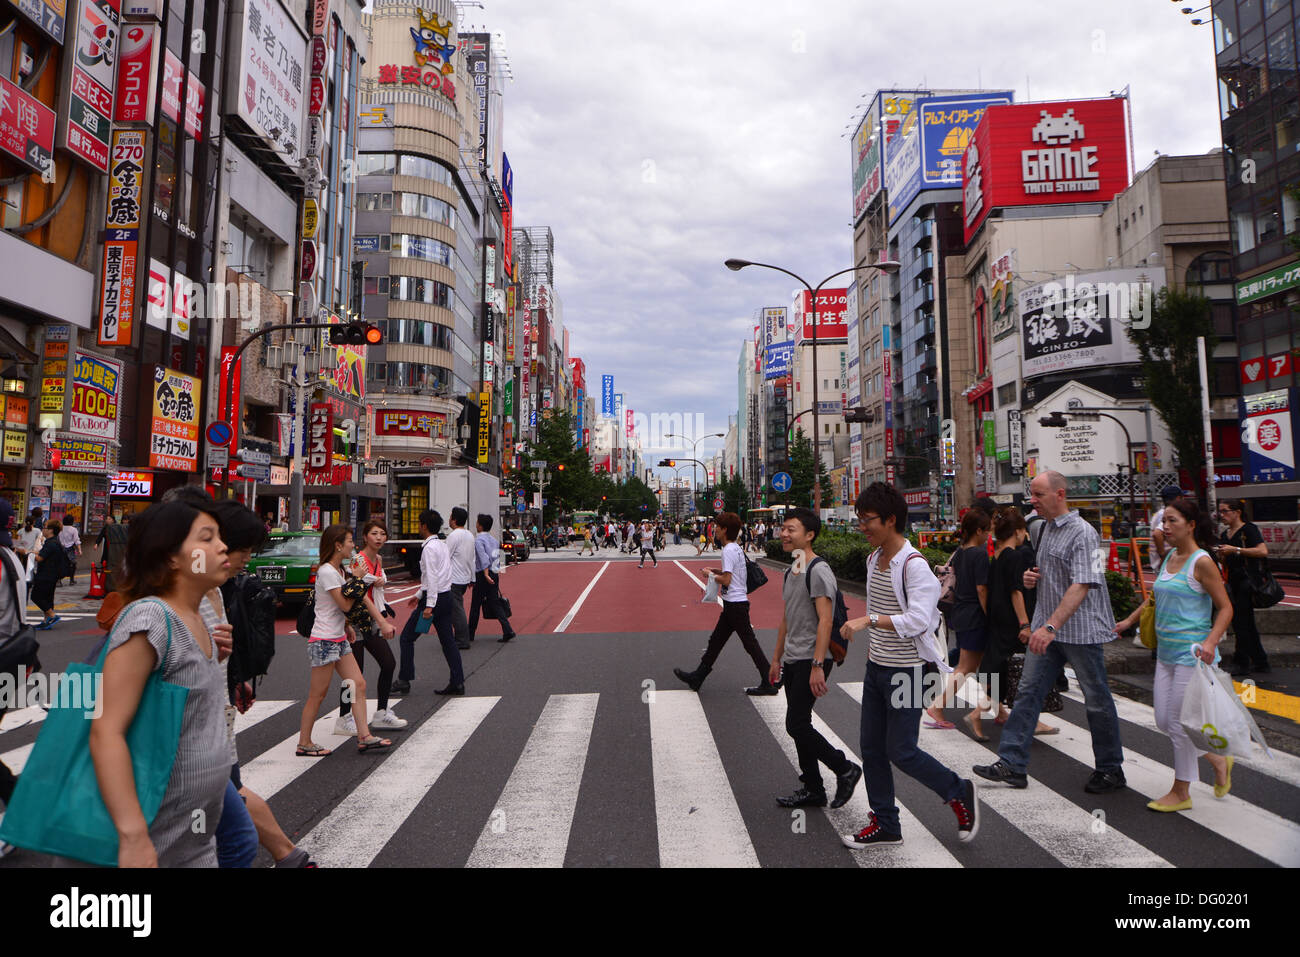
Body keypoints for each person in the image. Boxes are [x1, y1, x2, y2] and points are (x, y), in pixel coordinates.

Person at [87, 499, 235, 866]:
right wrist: (133, 836)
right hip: (150, 842)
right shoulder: (151, 616)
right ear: (171, 557)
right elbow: (106, 729)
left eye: (220, 537)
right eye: (206, 538)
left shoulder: (194, 618)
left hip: (192, 840)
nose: (222, 546)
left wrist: (213, 660)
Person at [839, 482, 978, 847]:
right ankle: (886, 823)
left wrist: (867, 621)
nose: (862, 527)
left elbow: (917, 620)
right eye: (860, 520)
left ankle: (957, 789)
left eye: (867, 520)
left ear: (890, 520)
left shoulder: (914, 565)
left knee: (901, 750)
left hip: (910, 673)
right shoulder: (873, 559)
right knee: (871, 749)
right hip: (877, 668)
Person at [974, 470, 1126, 794]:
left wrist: (1049, 625)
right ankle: (1012, 764)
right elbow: (1054, 574)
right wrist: (1033, 578)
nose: (1033, 501)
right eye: (1032, 494)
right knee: (1027, 693)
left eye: (1039, 495)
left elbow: (1082, 583)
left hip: (1079, 631)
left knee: (1096, 699)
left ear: (1060, 494)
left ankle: (1111, 769)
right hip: (1048, 629)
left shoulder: (1083, 532)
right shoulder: (1042, 529)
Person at [206, 497, 316, 868]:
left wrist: (233, 678)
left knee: (233, 812)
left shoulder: (218, 592)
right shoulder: (165, 606)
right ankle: (288, 854)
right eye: (242, 549)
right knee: (233, 832)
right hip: (192, 744)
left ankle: (288, 854)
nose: (245, 558)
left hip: (212, 729)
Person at [1112, 497, 1233, 812]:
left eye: (1172, 521)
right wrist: (1127, 621)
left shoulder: (1202, 561)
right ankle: (1218, 759)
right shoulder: (1169, 559)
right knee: (1165, 721)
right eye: (1163, 521)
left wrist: (1211, 642)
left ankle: (1182, 791)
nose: (1164, 527)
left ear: (1191, 525)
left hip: (1192, 655)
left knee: (1179, 723)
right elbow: (1153, 598)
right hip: (1164, 653)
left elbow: (1225, 607)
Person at [764, 507, 862, 811]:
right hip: (795, 656)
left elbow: (825, 621)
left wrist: (818, 665)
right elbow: (786, 618)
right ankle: (813, 788)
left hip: (812, 657)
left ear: (809, 535)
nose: (783, 533)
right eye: (783, 528)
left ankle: (844, 768)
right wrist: (776, 658)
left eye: (791, 529)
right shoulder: (790, 568)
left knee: (795, 724)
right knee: (799, 723)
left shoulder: (818, 570)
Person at [295, 525, 392, 757]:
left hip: (338, 637)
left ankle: (364, 736)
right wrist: (358, 578)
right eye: (349, 541)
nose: (353, 546)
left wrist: (347, 626)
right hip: (324, 640)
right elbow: (345, 604)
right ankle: (304, 743)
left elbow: (346, 605)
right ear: (338, 545)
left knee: (358, 683)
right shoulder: (327, 571)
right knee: (317, 694)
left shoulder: (340, 570)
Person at [673, 512, 777, 696]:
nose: (715, 530)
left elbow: (727, 580)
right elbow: (734, 573)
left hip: (736, 604)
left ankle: (769, 680)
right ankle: (698, 676)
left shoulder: (728, 550)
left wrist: (710, 575)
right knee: (716, 641)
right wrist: (716, 570)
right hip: (733, 603)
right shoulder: (736, 547)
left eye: (717, 527)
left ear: (725, 530)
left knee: (749, 643)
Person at [983, 508, 1056, 737]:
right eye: (1024, 530)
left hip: (997, 617)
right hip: (1012, 619)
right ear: (1017, 531)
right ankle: (1028, 719)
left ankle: (999, 711)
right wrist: (1025, 624)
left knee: (1000, 665)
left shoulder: (997, 555)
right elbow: (1016, 592)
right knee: (1024, 672)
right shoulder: (1014, 556)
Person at [926, 508, 996, 736]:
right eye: (987, 531)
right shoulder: (978, 554)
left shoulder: (961, 552)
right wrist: (991, 616)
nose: (989, 536)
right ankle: (938, 707)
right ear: (978, 530)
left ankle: (998, 709)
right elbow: (982, 589)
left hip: (960, 612)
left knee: (983, 665)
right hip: (975, 615)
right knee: (967, 667)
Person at [335, 518, 405, 733]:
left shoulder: (379, 559)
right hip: (355, 621)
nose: (379, 538)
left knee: (388, 663)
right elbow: (359, 594)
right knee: (354, 675)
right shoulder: (358, 560)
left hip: (371, 620)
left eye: (382, 534)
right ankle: (344, 717)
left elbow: (375, 592)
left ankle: (382, 713)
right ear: (365, 537)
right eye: (374, 533)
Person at [392, 510, 465, 696]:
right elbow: (440, 576)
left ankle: (404, 680)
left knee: (407, 638)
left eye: (419, 523)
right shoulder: (441, 545)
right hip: (445, 597)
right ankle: (457, 682)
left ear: (424, 526)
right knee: (448, 642)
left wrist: (429, 605)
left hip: (434, 600)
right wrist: (418, 594)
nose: (418, 527)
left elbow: (432, 578)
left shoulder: (429, 549)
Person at [1215, 498, 1271, 676]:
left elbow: (1262, 551)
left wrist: (1236, 550)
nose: (1222, 515)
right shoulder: (1225, 535)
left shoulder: (1249, 529)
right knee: (1245, 623)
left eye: (1225, 511)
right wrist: (1222, 554)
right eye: (1220, 512)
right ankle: (1260, 661)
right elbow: (1226, 561)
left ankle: (1242, 661)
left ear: (1237, 512)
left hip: (1249, 581)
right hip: (1233, 582)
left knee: (1241, 622)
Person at [468, 513, 516, 644]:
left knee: (475, 604)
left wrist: (485, 574)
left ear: (480, 525)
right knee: (495, 602)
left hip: (483, 574)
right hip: (494, 573)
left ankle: (470, 633)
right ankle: (507, 630)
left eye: (477, 522)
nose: (476, 524)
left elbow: (484, 559)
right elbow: (496, 558)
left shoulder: (478, 540)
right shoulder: (494, 540)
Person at [445, 507, 476, 651]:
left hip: (454, 578)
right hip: (464, 577)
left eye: (451, 516)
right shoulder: (469, 535)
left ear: (455, 519)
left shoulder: (453, 536)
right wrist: (472, 577)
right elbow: (472, 558)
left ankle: (462, 639)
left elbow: (445, 557)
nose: (449, 519)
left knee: (457, 610)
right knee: (454, 608)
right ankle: (454, 637)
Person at [31, 520, 66, 630]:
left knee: (36, 596)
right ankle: (46, 621)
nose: (43, 529)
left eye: (45, 527)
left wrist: (28, 553)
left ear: (51, 530)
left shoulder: (51, 543)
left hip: (46, 574)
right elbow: (42, 553)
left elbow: (40, 558)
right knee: (47, 598)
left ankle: (52, 616)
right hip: (52, 575)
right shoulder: (54, 542)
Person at [1149, 486, 1183, 573]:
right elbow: (1157, 534)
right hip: (1165, 563)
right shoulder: (1166, 514)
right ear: (1178, 498)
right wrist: (1163, 556)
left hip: (1163, 563)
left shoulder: (1160, 513)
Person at [96, 513, 130, 593]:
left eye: (109, 518)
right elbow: (100, 536)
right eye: (124, 520)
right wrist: (96, 543)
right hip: (109, 550)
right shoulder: (111, 528)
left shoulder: (118, 528)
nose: (125, 521)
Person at [57, 513, 82, 586]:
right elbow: (77, 541)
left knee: (60, 564)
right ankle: (71, 580)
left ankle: (59, 580)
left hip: (61, 548)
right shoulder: (74, 529)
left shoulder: (60, 528)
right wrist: (80, 550)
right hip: (70, 549)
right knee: (72, 564)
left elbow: (57, 538)